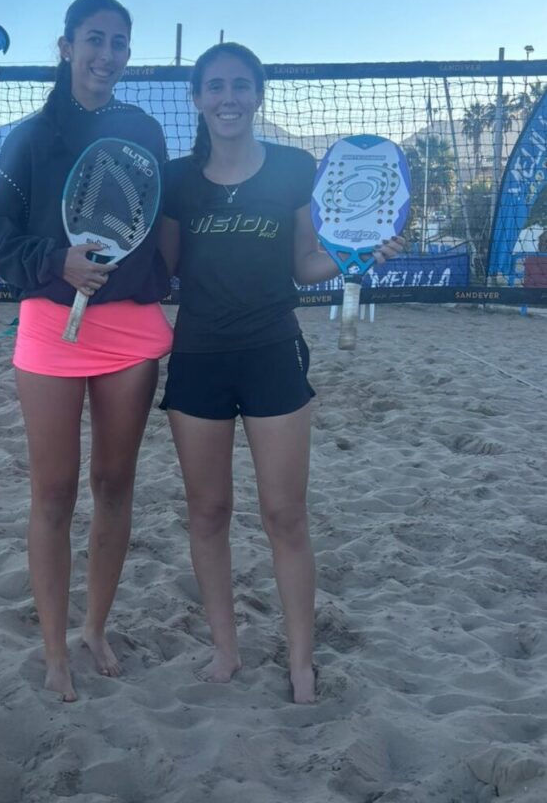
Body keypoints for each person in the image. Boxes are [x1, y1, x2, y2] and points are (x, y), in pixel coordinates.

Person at [158, 43, 403, 704]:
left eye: (240, 84)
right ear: (198, 98)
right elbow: (164, 269)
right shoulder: (179, 179)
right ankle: (225, 649)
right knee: (207, 512)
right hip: (198, 360)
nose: (228, 96)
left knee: (283, 515)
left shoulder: (295, 168)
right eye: (215, 86)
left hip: (272, 351)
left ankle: (299, 661)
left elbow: (305, 264)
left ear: (258, 93)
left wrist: (360, 259)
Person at [0, 0, 172, 702]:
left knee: (113, 487)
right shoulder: (28, 136)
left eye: (119, 41)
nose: (107, 54)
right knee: (52, 492)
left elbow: (160, 223)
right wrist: (55, 262)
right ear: (64, 47)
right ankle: (55, 649)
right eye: (94, 39)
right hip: (50, 328)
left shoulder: (143, 128)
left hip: (131, 331)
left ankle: (93, 629)